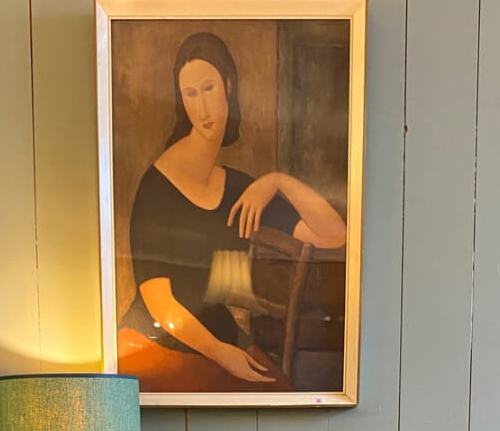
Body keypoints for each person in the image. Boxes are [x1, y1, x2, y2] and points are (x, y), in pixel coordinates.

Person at [118, 31, 347, 387]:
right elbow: (160, 303)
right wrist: (223, 353)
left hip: (217, 335)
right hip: (154, 340)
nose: (203, 108)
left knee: (280, 395)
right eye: (190, 95)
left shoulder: (241, 190)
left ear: (228, 85)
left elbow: (334, 235)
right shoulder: (157, 186)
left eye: (209, 88)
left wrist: (278, 181)